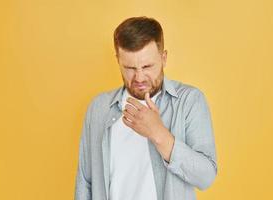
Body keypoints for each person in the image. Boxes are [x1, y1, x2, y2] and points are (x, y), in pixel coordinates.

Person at [74, 16, 217, 200]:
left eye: (147, 66)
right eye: (130, 68)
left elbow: (206, 177)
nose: (139, 77)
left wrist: (159, 134)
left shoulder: (189, 101)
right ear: (118, 60)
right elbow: (85, 182)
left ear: (163, 58)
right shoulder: (99, 108)